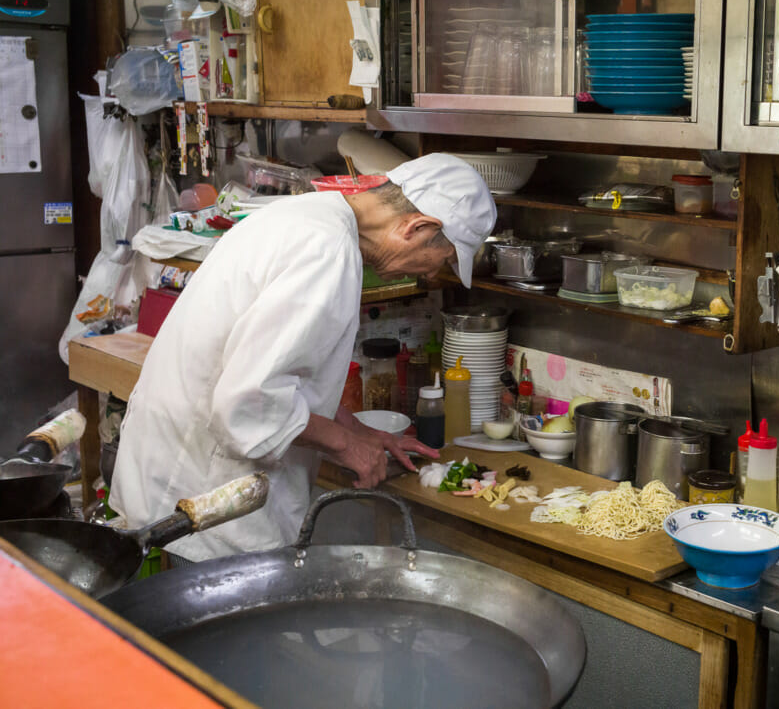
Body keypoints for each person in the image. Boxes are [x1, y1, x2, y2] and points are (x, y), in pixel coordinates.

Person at [110, 153, 497, 562]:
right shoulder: (326, 251)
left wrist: (356, 430)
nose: (432, 275)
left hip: (173, 482)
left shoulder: (306, 216)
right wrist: (345, 444)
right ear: (416, 228)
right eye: (443, 260)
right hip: (201, 505)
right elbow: (247, 405)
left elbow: (283, 377)